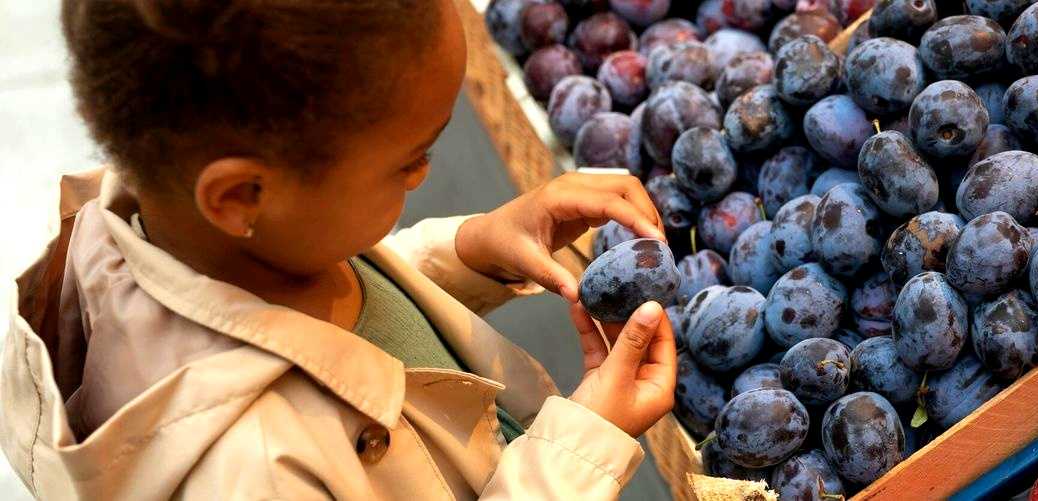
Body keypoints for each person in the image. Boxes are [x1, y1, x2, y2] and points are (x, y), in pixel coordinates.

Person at [1, 1, 677, 499]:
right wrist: (579, 449)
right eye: (412, 159)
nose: (425, 177)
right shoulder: (258, 472)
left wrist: (473, 248)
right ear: (240, 196)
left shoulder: (198, 235)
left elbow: (345, 305)